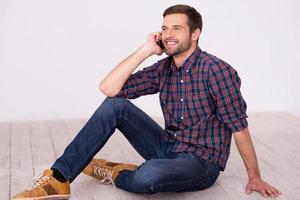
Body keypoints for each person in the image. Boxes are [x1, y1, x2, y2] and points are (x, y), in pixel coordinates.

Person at [13, 4, 281, 199]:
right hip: (168, 146)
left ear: (196, 33)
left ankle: (119, 172)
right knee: (114, 106)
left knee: (147, 177)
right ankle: (59, 179)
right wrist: (146, 50)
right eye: (165, 28)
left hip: (201, 162)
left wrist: (254, 177)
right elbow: (109, 88)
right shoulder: (163, 69)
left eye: (177, 28)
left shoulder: (217, 71)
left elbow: (239, 127)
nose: (168, 34)